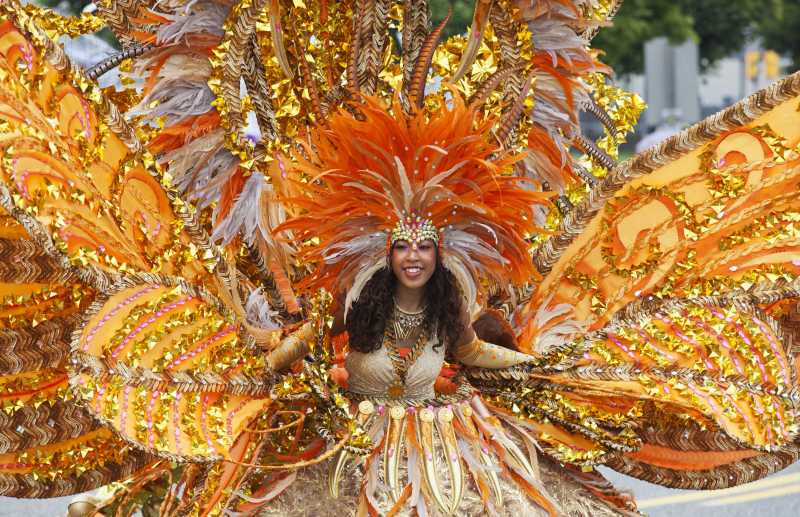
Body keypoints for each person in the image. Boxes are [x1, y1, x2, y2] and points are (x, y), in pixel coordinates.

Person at [0, 2, 797, 517]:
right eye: (403, 243)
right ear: (377, 251)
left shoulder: (454, 311)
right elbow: (299, 349)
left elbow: (481, 352)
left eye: (428, 243)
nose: (415, 254)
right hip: (335, 462)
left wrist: (557, 368)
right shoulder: (351, 315)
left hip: (467, 451)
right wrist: (273, 359)